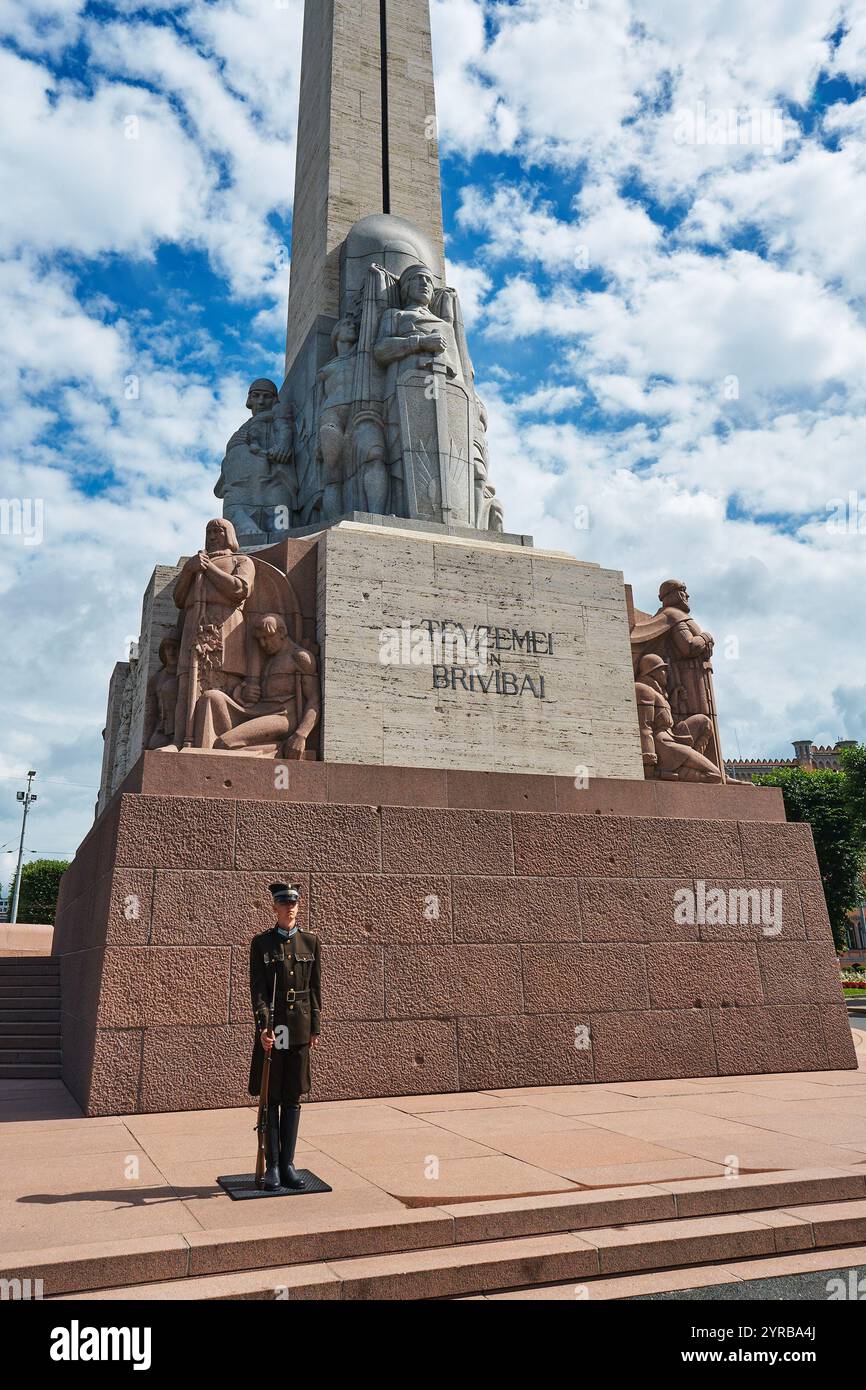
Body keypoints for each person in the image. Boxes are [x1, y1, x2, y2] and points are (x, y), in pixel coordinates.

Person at [248, 883, 322, 1191]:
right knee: (272, 1096)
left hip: (300, 1028)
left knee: (293, 1097)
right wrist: (264, 1028)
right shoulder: (262, 944)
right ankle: (274, 1166)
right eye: (283, 903)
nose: (289, 908)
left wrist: (315, 1027)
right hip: (276, 1028)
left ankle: (289, 1164)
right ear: (274, 908)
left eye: (293, 903)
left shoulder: (311, 942)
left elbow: (316, 989)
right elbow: (258, 991)